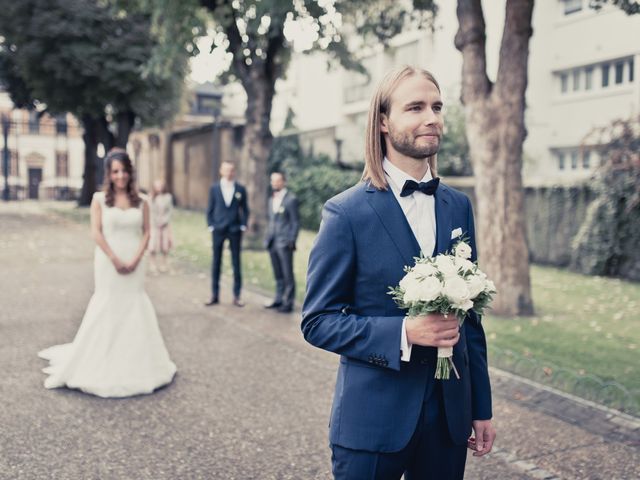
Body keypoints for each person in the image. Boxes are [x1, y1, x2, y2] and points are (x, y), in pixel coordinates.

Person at [301, 66, 495, 479]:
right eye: (416, 107)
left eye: (437, 107)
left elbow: (471, 320)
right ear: (384, 122)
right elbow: (317, 321)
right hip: (372, 422)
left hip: (448, 420)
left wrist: (480, 407)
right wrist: (404, 333)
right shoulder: (346, 213)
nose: (432, 118)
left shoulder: (458, 206)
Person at [38, 148, 176, 398]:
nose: (120, 176)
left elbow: (147, 232)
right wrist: (114, 258)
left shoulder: (142, 201)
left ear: (130, 172)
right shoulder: (99, 199)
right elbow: (96, 233)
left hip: (135, 260)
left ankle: (138, 362)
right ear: (109, 174)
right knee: (108, 305)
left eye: (124, 170)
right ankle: (101, 361)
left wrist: (135, 259)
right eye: (115, 171)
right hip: (108, 259)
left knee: (134, 304)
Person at [205, 161, 249, 307]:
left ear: (234, 171)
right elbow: (210, 208)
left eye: (231, 170)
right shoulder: (214, 188)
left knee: (236, 262)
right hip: (218, 229)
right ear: (221, 171)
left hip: (235, 230)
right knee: (216, 262)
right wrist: (211, 225)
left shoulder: (240, 189)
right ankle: (214, 295)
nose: (229, 173)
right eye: (226, 170)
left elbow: (245, 209)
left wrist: (243, 225)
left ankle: (237, 296)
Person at [264, 171, 300, 313]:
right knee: (277, 274)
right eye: (272, 181)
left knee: (287, 274)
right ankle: (278, 299)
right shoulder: (270, 199)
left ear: (283, 182)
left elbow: (295, 222)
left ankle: (288, 302)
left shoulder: (291, 199)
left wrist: (291, 241)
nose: (274, 183)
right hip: (272, 242)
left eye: (277, 181)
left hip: (284, 243)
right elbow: (271, 221)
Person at [149, 179, 173, 273]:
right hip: (154, 225)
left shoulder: (168, 197)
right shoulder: (151, 197)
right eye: (157, 186)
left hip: (165, 224)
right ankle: (152, 263)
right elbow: (150, 211)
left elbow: (170, 211)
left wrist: (164, 221)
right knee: (153, 245)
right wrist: (156, 221)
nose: (158, 188)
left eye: (160, 186)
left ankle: (163, 264)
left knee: (165, 245)